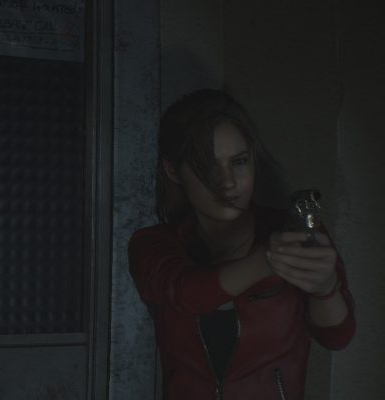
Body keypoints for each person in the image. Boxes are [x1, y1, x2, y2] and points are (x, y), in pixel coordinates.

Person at [128, 89, 354, 399]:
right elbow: (186, 293)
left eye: (239, 161)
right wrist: (267, 261)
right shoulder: (153, 244)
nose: (227, 182)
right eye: (207, 165)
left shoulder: (291, 230)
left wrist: (325, 288)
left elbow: (337, 337)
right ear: (172, 170)